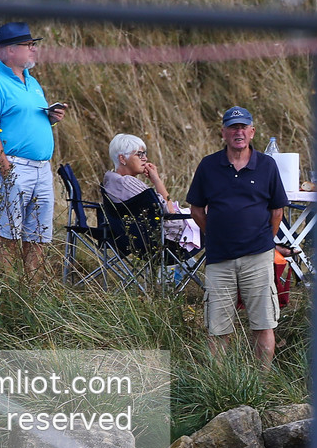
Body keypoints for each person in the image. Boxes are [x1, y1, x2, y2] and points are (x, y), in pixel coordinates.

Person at [186, 106, 288, 364]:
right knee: (217, 328)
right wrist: (215, 233)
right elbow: (196, 208)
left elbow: (277, 211)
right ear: (223, 133)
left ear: (252, 132)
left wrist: (264, 240)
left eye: (243, 127)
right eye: (233, 127)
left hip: (258, 257)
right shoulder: (209, 166)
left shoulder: (267, 165)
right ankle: (220, 387)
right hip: (220, 258)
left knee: (263, 325)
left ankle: (261, 387)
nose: (238, 132)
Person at [0, 22, 67, 275]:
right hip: (16, 167)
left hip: (42, 169)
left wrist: (51, 117)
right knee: (10, 234)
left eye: (33, 45)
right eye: (28, 45)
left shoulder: (33, 82)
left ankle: (32, 294)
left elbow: (25, 119)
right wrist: (6, 170)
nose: (33, 50)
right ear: (9, 51)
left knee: (39, 236)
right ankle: (4, 293)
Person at [102, 134, 198, 251]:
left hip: (133, 240)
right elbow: (170, 211)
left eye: (145, 154)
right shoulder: (128, 183)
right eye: (139, 154)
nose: (145, 158)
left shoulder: (109, 184)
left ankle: (183, 269)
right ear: (122, 159)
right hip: (166, 242)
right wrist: (156, 180)